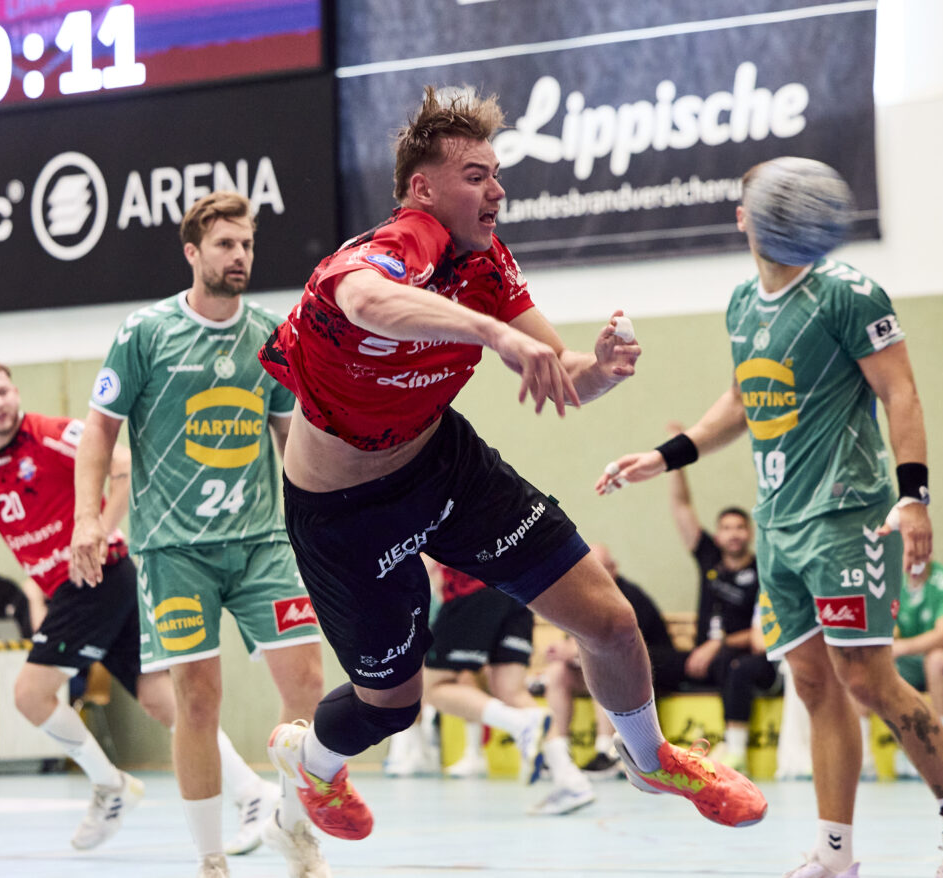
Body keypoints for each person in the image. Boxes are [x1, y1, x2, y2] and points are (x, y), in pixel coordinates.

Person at [255, 86, 766, 852]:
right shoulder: (399, 243)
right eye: (475, 176)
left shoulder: (487, 263)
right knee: (392, 706)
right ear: (423, 189)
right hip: (345, 514)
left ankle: (651, 758)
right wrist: (492, 334)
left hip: (442, 467)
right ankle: (311, 762)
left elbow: (563, 375)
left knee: (610, 621)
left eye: (497, 174)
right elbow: (364, 299)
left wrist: (600, 367)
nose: (496, 191)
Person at [597, 158, 943, 877]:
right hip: (778, 525)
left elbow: (901, 392)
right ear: (746, 217)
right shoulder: (741, 304)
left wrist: (915, 496)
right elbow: (742, 401)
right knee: (814, 684)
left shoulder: (848, 293)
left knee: (867, 678)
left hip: (848, 515)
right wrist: (666, 456)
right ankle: (835, 855)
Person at [72, 192, 330, 878]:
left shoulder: (273, 333)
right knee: (196, 699)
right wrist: (88, 517)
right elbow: (98, 429)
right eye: (225, 245)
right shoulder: (146, 332)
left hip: (262, 543)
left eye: (246, 244)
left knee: (308, 682)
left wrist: (326, 518)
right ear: (192, 252)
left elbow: (292, 440)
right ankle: (210, 856)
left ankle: (293, 828)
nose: (239, 256)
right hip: (174, 551)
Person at [0, 363, 192, 851]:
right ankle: (250, 794)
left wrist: (95, 531)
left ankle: (110, 786)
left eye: (3, 391)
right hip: (99, 582)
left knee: (30, 695)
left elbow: (124, 467)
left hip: (91, 576)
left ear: (16, 391)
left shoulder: (53, 434)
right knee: (160, 698)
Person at [534, 542, 680, 815]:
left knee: (606, 671)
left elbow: (622, 649)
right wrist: (566, 653)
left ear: (613, 570)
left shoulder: (628, 597)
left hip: (652, 670)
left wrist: (571, 651)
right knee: (557, 673)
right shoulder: (580, 596)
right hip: (614, 667)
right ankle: (559, 755)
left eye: (600, 568)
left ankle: (607, 753)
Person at [663, 455, 779, 772]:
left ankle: (734, 751)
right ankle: (640, 746)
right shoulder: (709, 558)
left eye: (740, 527)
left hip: (748, 658)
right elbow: (682, 507)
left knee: (735, 664)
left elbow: (763, 631)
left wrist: (718, 644)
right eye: (727, 528)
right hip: (706, 658)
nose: (733, 534)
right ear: (717, 535)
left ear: (750, 533)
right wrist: (674, 458)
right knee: (652, 662)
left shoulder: (763, 570)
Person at [421, 560, 551, 785]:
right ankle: (567, 777)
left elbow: (424, 564)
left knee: (433, 687)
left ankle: (519, 723)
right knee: (511, 691)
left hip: (472, 590)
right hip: (516, 592)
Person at [859, 559, 943, 782]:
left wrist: (900, 647)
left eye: (917, 549)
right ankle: (863, 756)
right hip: (912, 662)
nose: (911, 558)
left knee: (936, 660)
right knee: (863, 667)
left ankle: (942, 749)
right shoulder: (890, 583)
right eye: (905, 550)